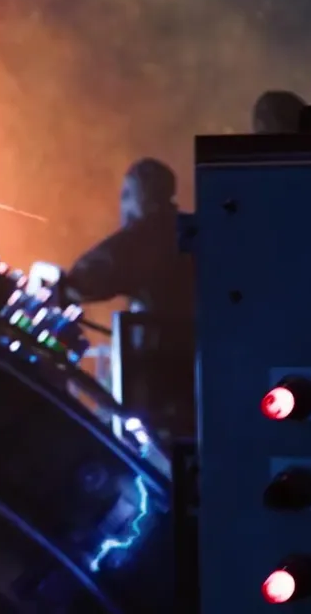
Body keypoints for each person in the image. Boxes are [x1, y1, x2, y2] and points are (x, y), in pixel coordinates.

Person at [64, 158, 196, 439]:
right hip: (200, 377)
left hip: (160, 383)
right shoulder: (191, 231)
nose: (122, 206)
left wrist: (63, 288)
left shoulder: (150, 235)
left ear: (146, 198)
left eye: (127, 195)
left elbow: (94, 273)